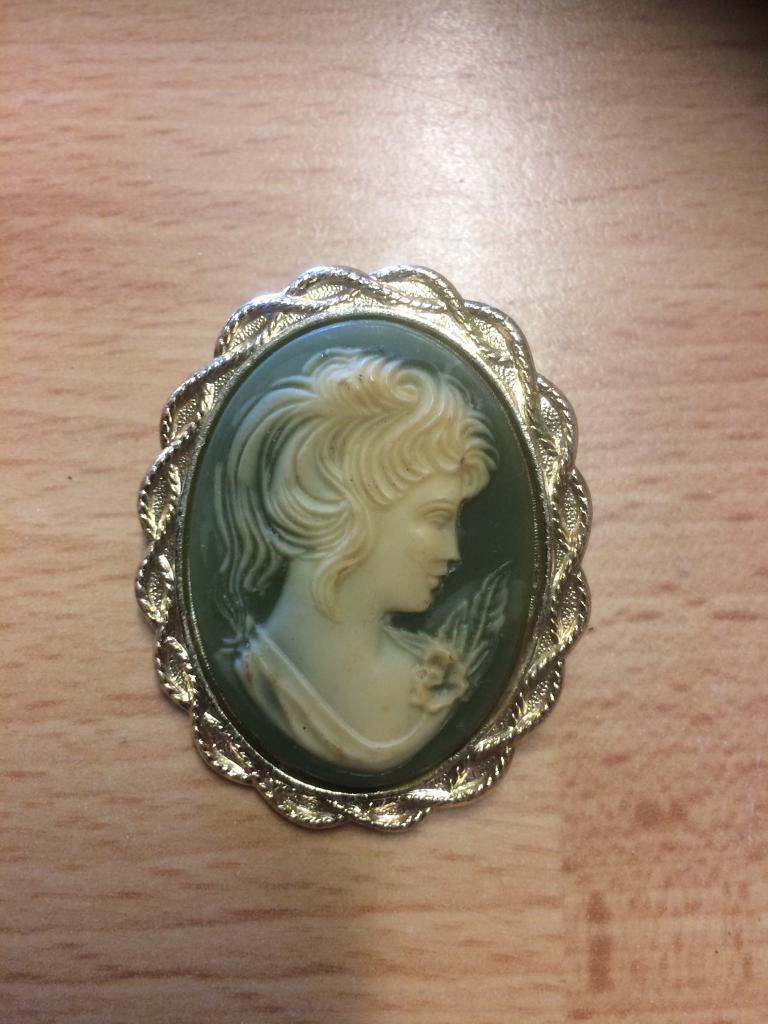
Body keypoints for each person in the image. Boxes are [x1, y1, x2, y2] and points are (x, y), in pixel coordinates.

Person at [213, 347, 497, 770]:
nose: (452, 552)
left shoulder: (435, 673)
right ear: (349, 507)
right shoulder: (256, 687)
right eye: (437, 518)